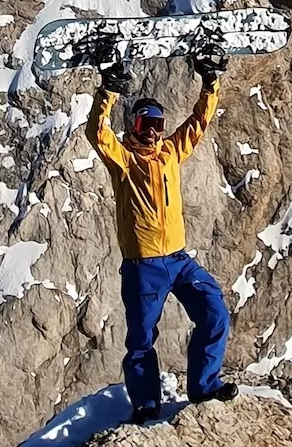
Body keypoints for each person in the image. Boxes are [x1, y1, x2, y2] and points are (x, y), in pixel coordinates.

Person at [85, 45, 238, 425]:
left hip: (179, 259)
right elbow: (96, 133)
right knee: (140, 339)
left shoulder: (169, 153)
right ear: (133, 127)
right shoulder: (124, 161)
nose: (152, 131)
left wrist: (210, 82)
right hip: (144, 266)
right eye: (144, 124)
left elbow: (198, 123)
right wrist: (109, 91)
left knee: (214, 311)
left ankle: (204, 386)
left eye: (157, 124)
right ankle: (146, 404)